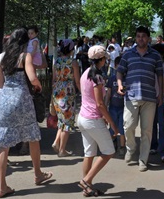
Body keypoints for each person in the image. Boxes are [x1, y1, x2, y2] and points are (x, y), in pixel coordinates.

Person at [0, 28, 52, 197]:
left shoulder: (4, 59)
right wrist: (38, 86)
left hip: (6, 100)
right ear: (24, 42)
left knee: (4, 143)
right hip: (22, 99)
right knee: (32, 136)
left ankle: (2, 186)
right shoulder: (25, 57)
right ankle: (38, 174)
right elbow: (32, 78)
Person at [116, 26, 164, 172]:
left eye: (143, 36)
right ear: (135, 38)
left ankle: (143, 159)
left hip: (150, 97)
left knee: (147, 131)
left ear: (148, 38)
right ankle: (130, 148)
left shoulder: (155, 55)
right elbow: (119, 72)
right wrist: (119, 85)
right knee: (128, 126)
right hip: (131, 96)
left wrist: (161, 93)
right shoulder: (127, 54)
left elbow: (160, 76)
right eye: (138, 36)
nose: (140, 39)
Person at [78, 45, 120, 197]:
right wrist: (113, 124)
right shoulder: (97, 77)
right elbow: (100, 103)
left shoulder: (85, 73)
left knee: (89, 153)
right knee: (109, 151)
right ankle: (86, 180)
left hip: (82, 117)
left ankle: (87, 187)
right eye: (105, 59)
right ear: (101, 60)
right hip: (93, 119)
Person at [51, 38, 80, 157]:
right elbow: (77, 81)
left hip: (57, 92)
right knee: (67, 121)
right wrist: (83, 92)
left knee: (62, 120)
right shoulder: (73, 63)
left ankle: (56, 142)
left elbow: (53, 78)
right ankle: (62, 150)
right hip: (68, 93)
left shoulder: (56, 61)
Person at [149, 44, 164, 164]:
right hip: (151, 97)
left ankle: (163, 151)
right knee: (151, 123)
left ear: (162, 54)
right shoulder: (151, 65)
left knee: (162, 125)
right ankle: (153, 145)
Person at [104, 55, 126, 156]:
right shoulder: (112, 79)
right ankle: (112, 143)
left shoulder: (127, 79)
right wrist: (105, 104)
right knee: (112, 127)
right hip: (113, 107)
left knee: (122, 128)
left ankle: (122, 147)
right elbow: (108, 93)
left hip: (123, 108)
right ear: (115, 66)